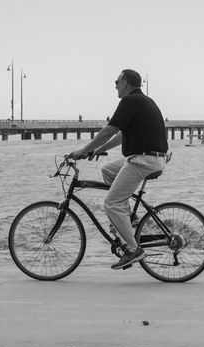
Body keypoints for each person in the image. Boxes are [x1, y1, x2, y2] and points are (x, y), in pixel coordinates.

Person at [66, 69, 168, 270]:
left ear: (125, 83)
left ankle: (133, 249)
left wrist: (82, 150)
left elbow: (109, 129)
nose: (114, 86)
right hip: (150, 157)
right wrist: (99, 150)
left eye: (116, 81)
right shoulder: (143, 101)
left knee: (112, 203)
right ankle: (129, 218)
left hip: (142, 160)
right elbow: (122, 134)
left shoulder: (129, 102)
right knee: (108, 171)